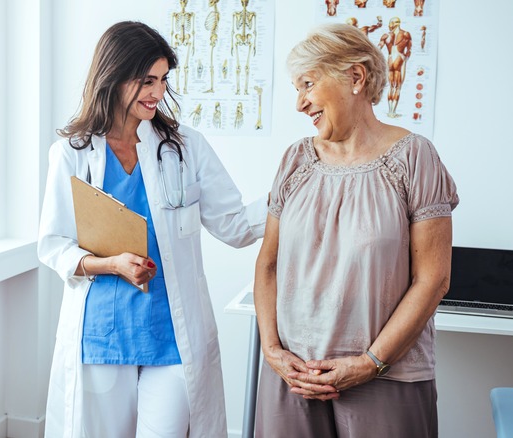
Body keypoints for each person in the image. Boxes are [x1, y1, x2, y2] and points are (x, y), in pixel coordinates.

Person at [38, 21, 266, 438]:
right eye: (147, 80)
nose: (158, 92)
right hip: (102, 332)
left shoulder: (184, 147)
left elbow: (234, 226)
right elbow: (54, 245)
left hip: (172, 334)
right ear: (114, 76)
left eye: (162, 80)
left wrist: (291, 195)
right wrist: (112, 264)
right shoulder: (72, 154)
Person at [253, 22, 458, 437]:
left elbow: (432, 279)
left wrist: (370, 363)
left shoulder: (414, 158)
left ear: (355, 77)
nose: (299, 103)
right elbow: (268, 264)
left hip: (386, 377)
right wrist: (272, 351)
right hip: (293, 378)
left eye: (308, 84)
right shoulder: (295, 160)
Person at [378, 16, 412, 118]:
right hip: (399, 59)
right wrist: (405, 58)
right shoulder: (405, 34)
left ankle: (390, 111)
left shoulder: (386, 36)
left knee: (391, 86)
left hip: (390, 59)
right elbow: (408, 50)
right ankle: (393, 112)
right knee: (397, 87)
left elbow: (377, 48)